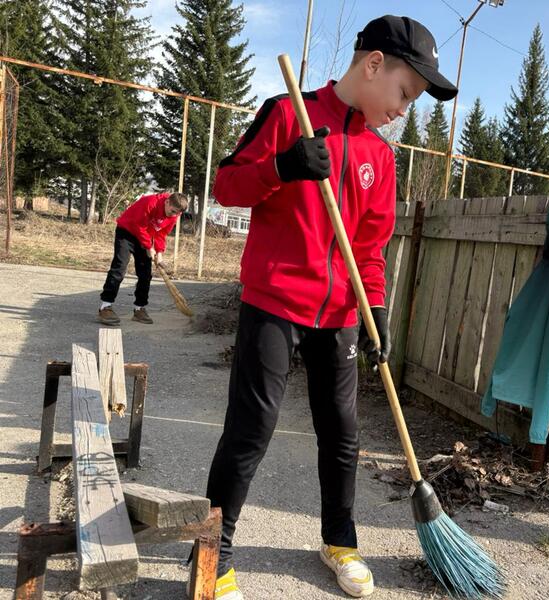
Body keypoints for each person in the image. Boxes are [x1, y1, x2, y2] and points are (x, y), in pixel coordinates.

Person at [202, 15, 457, 599]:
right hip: (274, 302)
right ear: (373, 65)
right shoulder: (287, 114)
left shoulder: (381, 159)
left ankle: (339, 540)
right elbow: (226, 187)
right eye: (405, 93)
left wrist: (377, 311)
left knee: (342, 432)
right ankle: (215, 550)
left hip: (339, 314)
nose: (403, 109)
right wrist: (282, 167)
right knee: (251, 430)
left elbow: (369, 250)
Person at [98, 191, 187, 325]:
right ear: (167, 202)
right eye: (172, 211)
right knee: (119, 269)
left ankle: (139, 308)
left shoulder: (174, 215)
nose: (173, 215)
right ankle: (105, 307)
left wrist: (160, 253)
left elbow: (161, 233)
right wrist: (149, 247)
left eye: (177, 213)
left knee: (145, 274)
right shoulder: (150, 202)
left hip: (144, 237)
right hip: (126, 232)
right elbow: (138, 226)